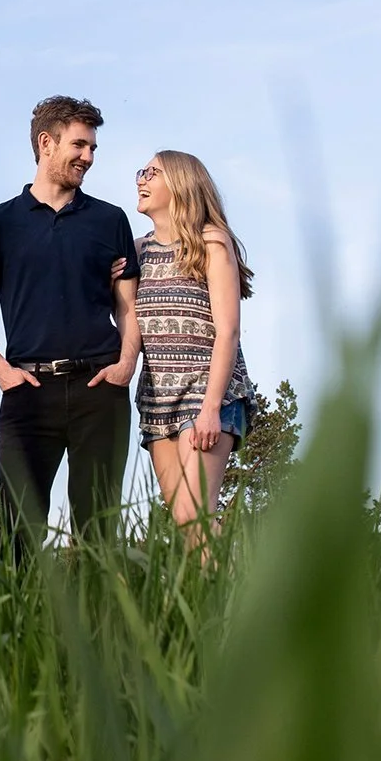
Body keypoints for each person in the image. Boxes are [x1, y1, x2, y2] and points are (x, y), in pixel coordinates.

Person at [0, 95, 141, 553]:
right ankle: (19, 628)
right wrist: (4, 374)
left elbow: (127, 306)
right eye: (80, 145)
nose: (89, 157)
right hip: (27, 393)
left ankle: (98, 625)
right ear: (46, 143)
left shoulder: (109, 219)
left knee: (98, 535)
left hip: (99, 388)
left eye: (93, 148)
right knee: (19, 535)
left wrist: (125, 366)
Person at [131, 150, 257, 543]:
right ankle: (221, 603)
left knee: (192, 514)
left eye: (153, 172)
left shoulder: (211, 243)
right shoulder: (137, 252)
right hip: (157, 400)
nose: (142, 179)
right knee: (188, 528)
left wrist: (211, 408)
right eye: (142, 171)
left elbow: (229, 332)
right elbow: (129, 324)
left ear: (181, 184)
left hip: (209, 394)